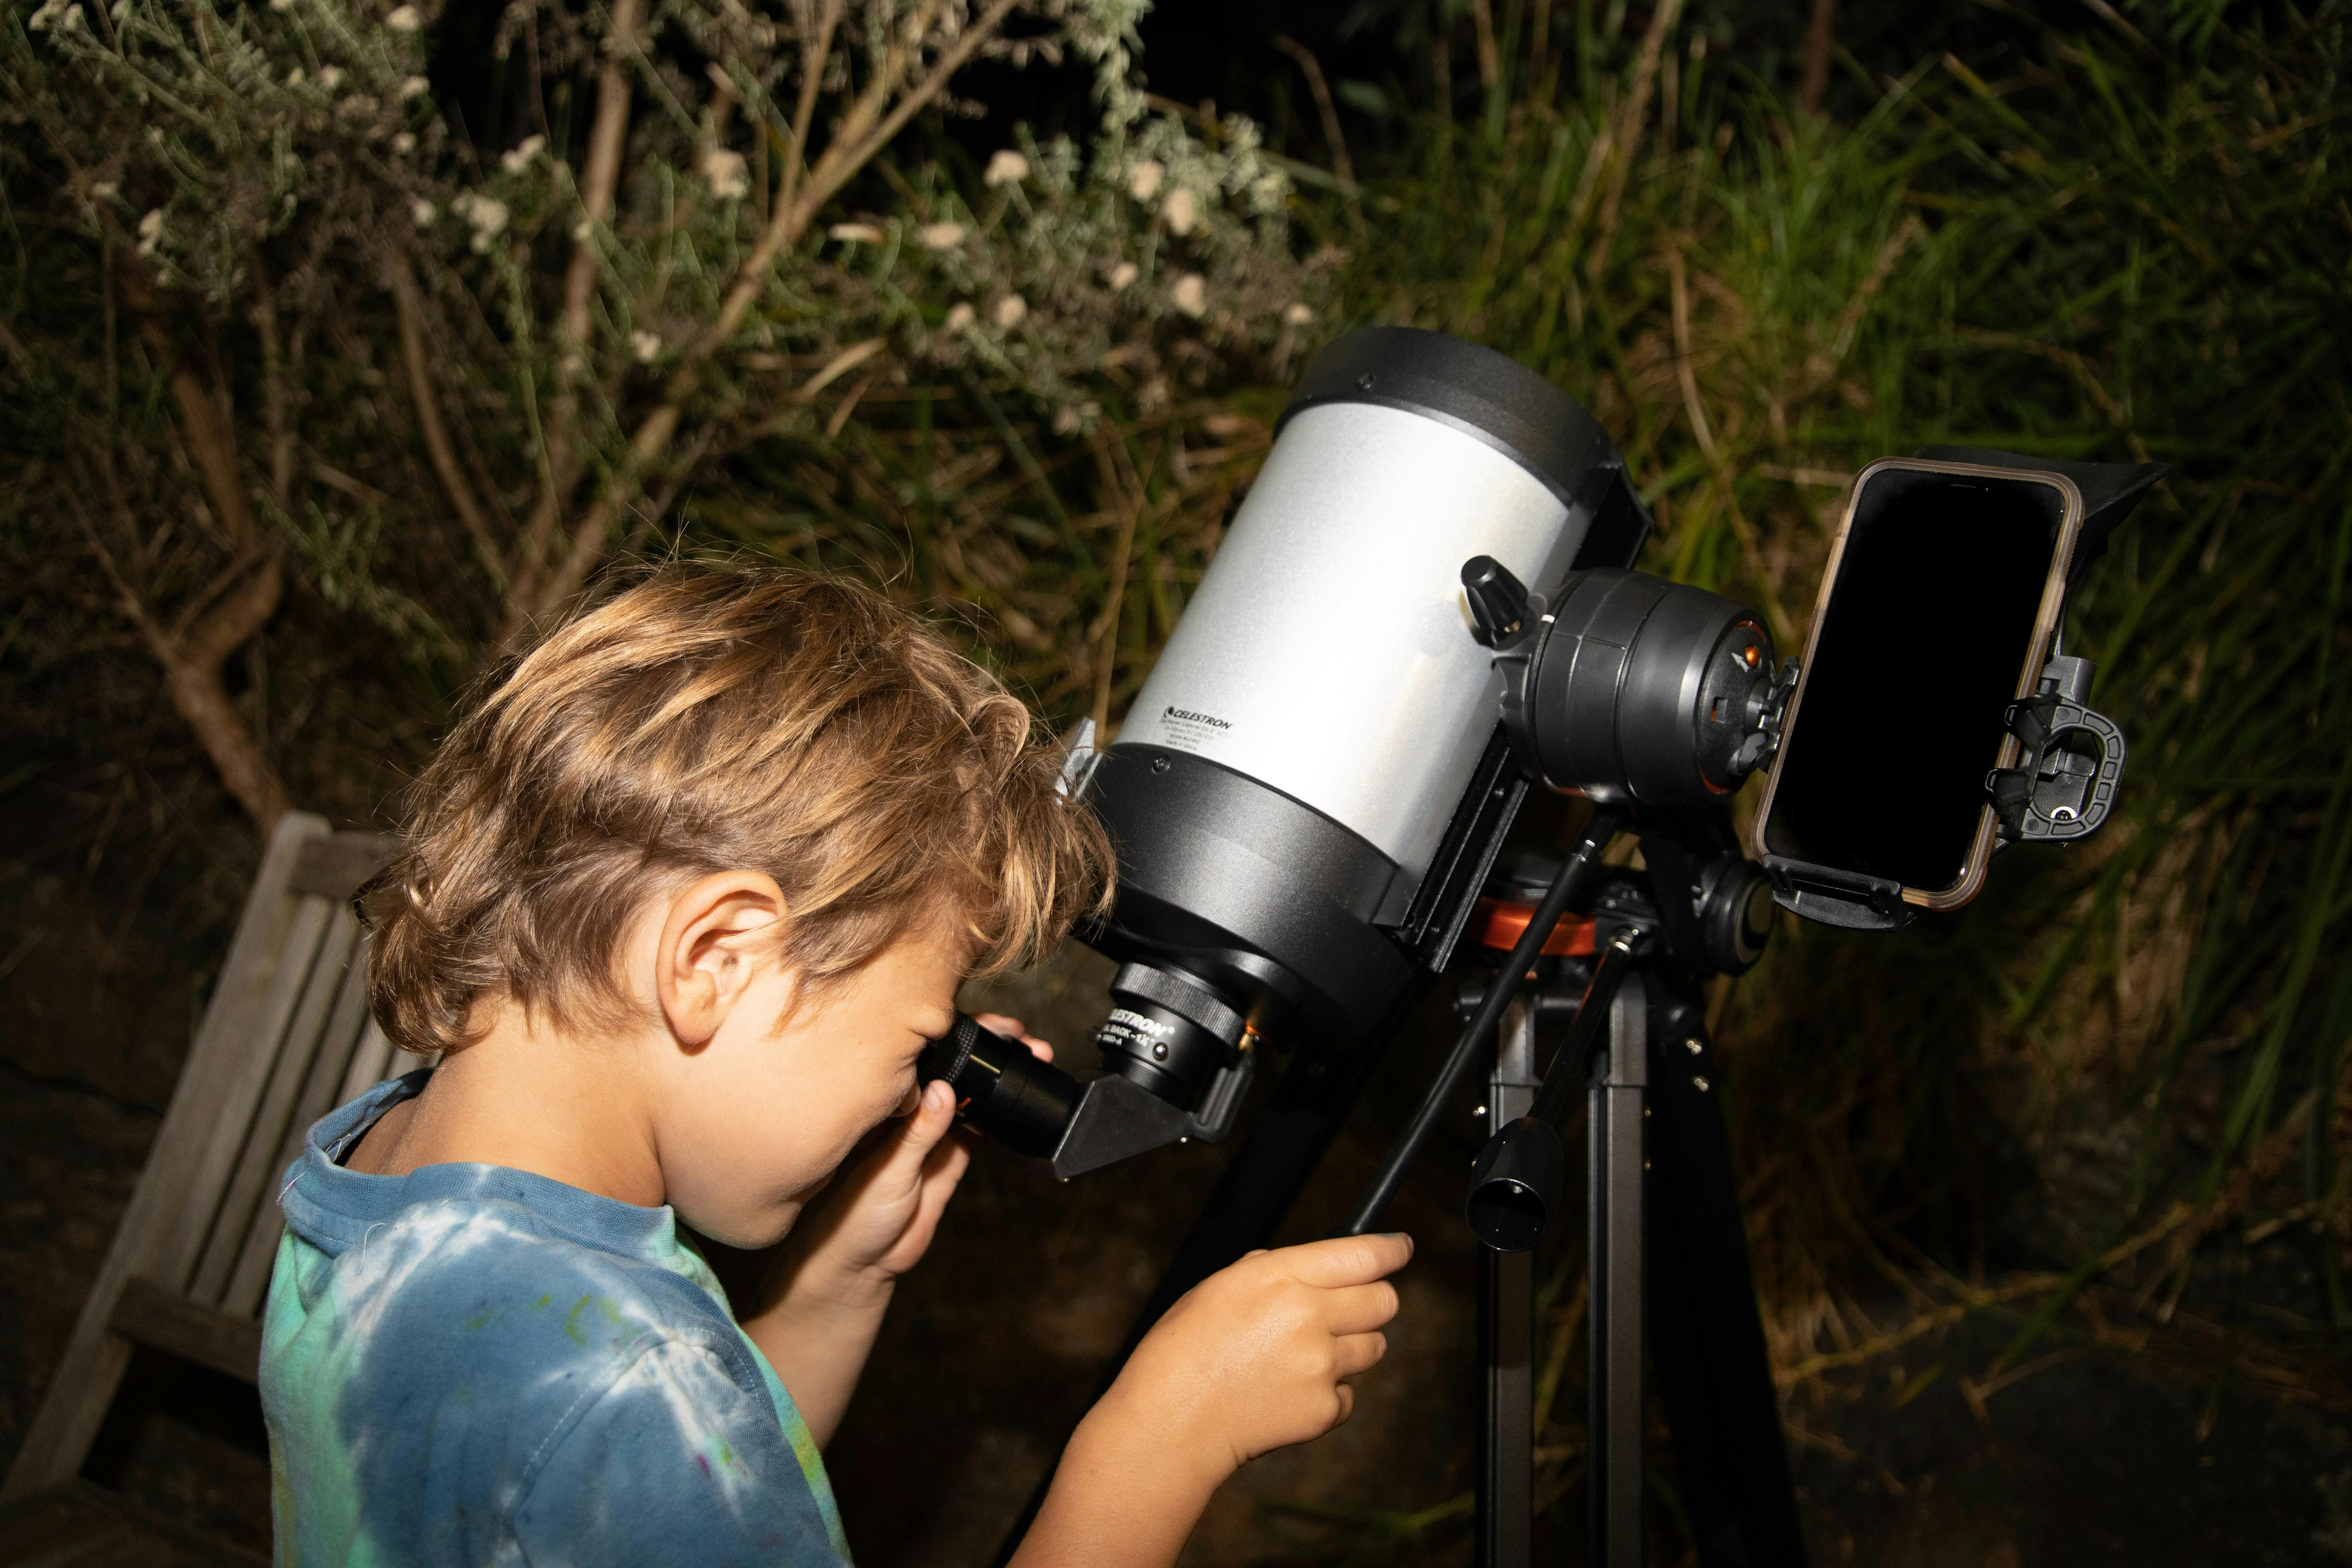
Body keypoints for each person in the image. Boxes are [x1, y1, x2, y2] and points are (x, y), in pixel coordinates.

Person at [260, 564, 1410, 1566]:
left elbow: (670, 1496)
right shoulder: (626, 1379)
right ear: (714, 957)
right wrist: (1158, 1444)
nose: (912, 1086)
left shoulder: (375, 1176)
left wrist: (832, 1291)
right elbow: (649, 1439)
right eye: (919, 1035)